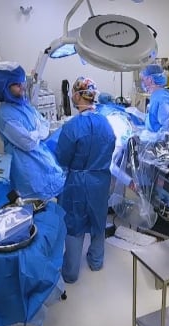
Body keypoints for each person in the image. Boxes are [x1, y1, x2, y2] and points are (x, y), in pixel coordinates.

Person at [55, 77, 116, 283]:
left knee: (74, 223)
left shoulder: (72, 127)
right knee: (98, 220)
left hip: (77, 183)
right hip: (100, 181)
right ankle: (96, 262)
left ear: (78, 95)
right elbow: (110, 150)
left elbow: (62, 157)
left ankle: (71, 273)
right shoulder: (106, 124)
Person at [0, 62, 65, 200]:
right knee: (37, 211)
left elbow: (45, 125)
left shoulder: (24, 105)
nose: (22, 87)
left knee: (52, 210)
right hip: (29, 173)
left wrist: (35, 133)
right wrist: (38, 132)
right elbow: (28, 144)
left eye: (21, 82)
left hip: (43, 163)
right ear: (4, 88)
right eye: (17, 84)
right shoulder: (5, 115)